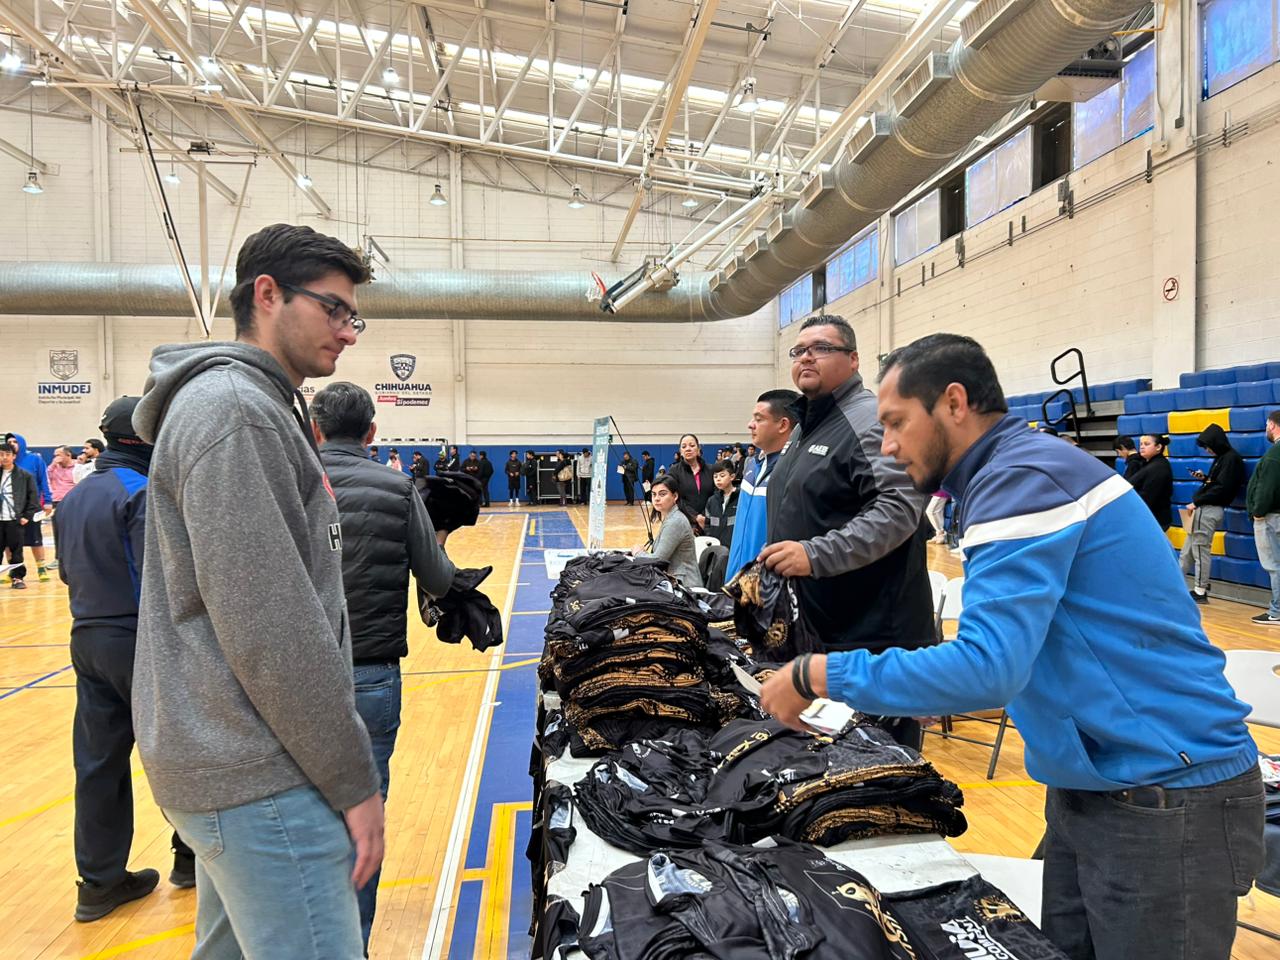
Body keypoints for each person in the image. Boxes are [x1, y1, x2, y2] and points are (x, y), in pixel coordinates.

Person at [761, 332, 1265, 960]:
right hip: (1102, 781)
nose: (885, 445)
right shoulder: (1002, 474)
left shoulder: (1022, 477)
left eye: (895, 423)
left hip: (1166, 792)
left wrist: (817, 673)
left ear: (953, 403)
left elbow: (987, 669)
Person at [131, 222, 383, 958]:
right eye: (334, 310)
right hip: (262, 772)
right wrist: (353, 781)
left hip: (231, 762)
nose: (349, 333)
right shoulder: (236, 412)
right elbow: (273, 630)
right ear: (267, 295)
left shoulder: (253, 406)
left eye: (353, 315)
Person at [311, 382, 456, 950]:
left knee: (299, 816)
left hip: (295, 677)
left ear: (315, 430)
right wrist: (439, 538)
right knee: (361, 821)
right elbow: (439, 579)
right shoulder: (397, 486)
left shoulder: (287, 481)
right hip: (371, 672)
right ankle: (354, 944)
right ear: (373, 433)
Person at [54, 397, 197, 922]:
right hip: (140, 638)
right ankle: (191, 858)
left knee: (97, 765)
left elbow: (68, 573)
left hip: (86, 638)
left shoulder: (74, 499)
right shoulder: (143, 493)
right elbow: (163, 583)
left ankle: (99, 883)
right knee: (180, 751)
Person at [762, 315, 934, 747]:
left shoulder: (868, 420)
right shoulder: (809, 426)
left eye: (820, 348)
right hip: (824, 633)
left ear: (853, 359)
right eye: (798, 350)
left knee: (875, 780)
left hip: (871, 637)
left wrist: (815, 554)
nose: (806, 357)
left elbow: (899, 509)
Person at [726, 390, 799, 581]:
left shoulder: (795, 472)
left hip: (765, 592)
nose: (750, 425)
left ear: (783, 425)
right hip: (736, 580)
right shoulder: (752, 464)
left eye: (758, 419)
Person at [1180, 423, 1245, 604]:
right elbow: (1218, 483)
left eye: (1208, 446)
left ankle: (1200, 590)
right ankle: (1178, 584)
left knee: (1200, 550)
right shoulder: (1224, 458)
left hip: (1207, 510)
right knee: (1188, 550)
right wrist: (1205, 479)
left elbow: (1222, 489)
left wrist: (1197, 501)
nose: (1207, 450)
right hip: (1206, 509)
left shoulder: (1230, 459)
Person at [1246, 410, 1280, 626]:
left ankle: (1276, 610)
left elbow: (1267, 489)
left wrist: (1258, 511)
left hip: (1271, 517)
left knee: (1274, 565)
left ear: (1272, 424)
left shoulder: (1274, 455)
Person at [5, 432, 52, 582]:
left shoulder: (34, 459)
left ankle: (41, 568)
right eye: (9, 441)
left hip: (31, 507)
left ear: (21, 443)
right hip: (9, 509)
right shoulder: (4, 463)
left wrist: (48, 501)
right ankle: (13, 570)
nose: (12, 444)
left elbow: (44, 480)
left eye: (14, 441)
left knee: (35, 540)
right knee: (9, 542)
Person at [640, 475, 702, 588]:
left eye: (662, 494)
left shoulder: (676, 521)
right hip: (673, 580)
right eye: (654, 494)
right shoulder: (671, 517)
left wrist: (638, 553)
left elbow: (658, 560)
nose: (657, 498)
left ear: (675, 496)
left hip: (685, 585)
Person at [0, 441, 38, 590]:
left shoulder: (24, 476)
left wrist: (26, 516)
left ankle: (17, 577)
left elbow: (33, 498)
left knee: (16, 551)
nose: (4, 458)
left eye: (7, 454)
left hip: (15, 520)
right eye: (1, 454)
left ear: (14, 456)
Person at [1129, 434, 1173, 530]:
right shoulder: (1149, 464)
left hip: (1155, 519)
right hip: (1151, 517)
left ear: (1158, 447)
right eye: (1141, 444)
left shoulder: (1158, 467)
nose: (1142, 447)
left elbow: (1148, 495)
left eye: (1147, 444)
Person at [669, 434, 712, 526]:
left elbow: (716, 495)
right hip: (684, 521)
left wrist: (704, 517)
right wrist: (695, 516)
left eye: (692, 445)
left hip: (708, 520)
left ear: (698, 448)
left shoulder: (710, 469)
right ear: (680, 451)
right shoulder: (674, 471)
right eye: (684, 446)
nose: (688, 449)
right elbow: (675, 498)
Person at [47, 445, 77, 566]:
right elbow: (46, 478)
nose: (56, 458)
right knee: (58, 531)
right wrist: (53, 465)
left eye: (58, 455)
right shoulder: (54, 468)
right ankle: (58, 559)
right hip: (57, 502)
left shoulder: (77, 468)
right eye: (55, 455)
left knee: (74, 530)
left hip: (72, 502)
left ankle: (76, 557)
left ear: (68, 455)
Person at [703, 460, 738, 549]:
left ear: (732, 477)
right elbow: (707, 523)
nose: (718, 479)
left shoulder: (741, 498)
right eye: (715, 476)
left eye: (722, 476)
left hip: (734, 548)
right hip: (716, 548)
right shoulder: (712, 500)